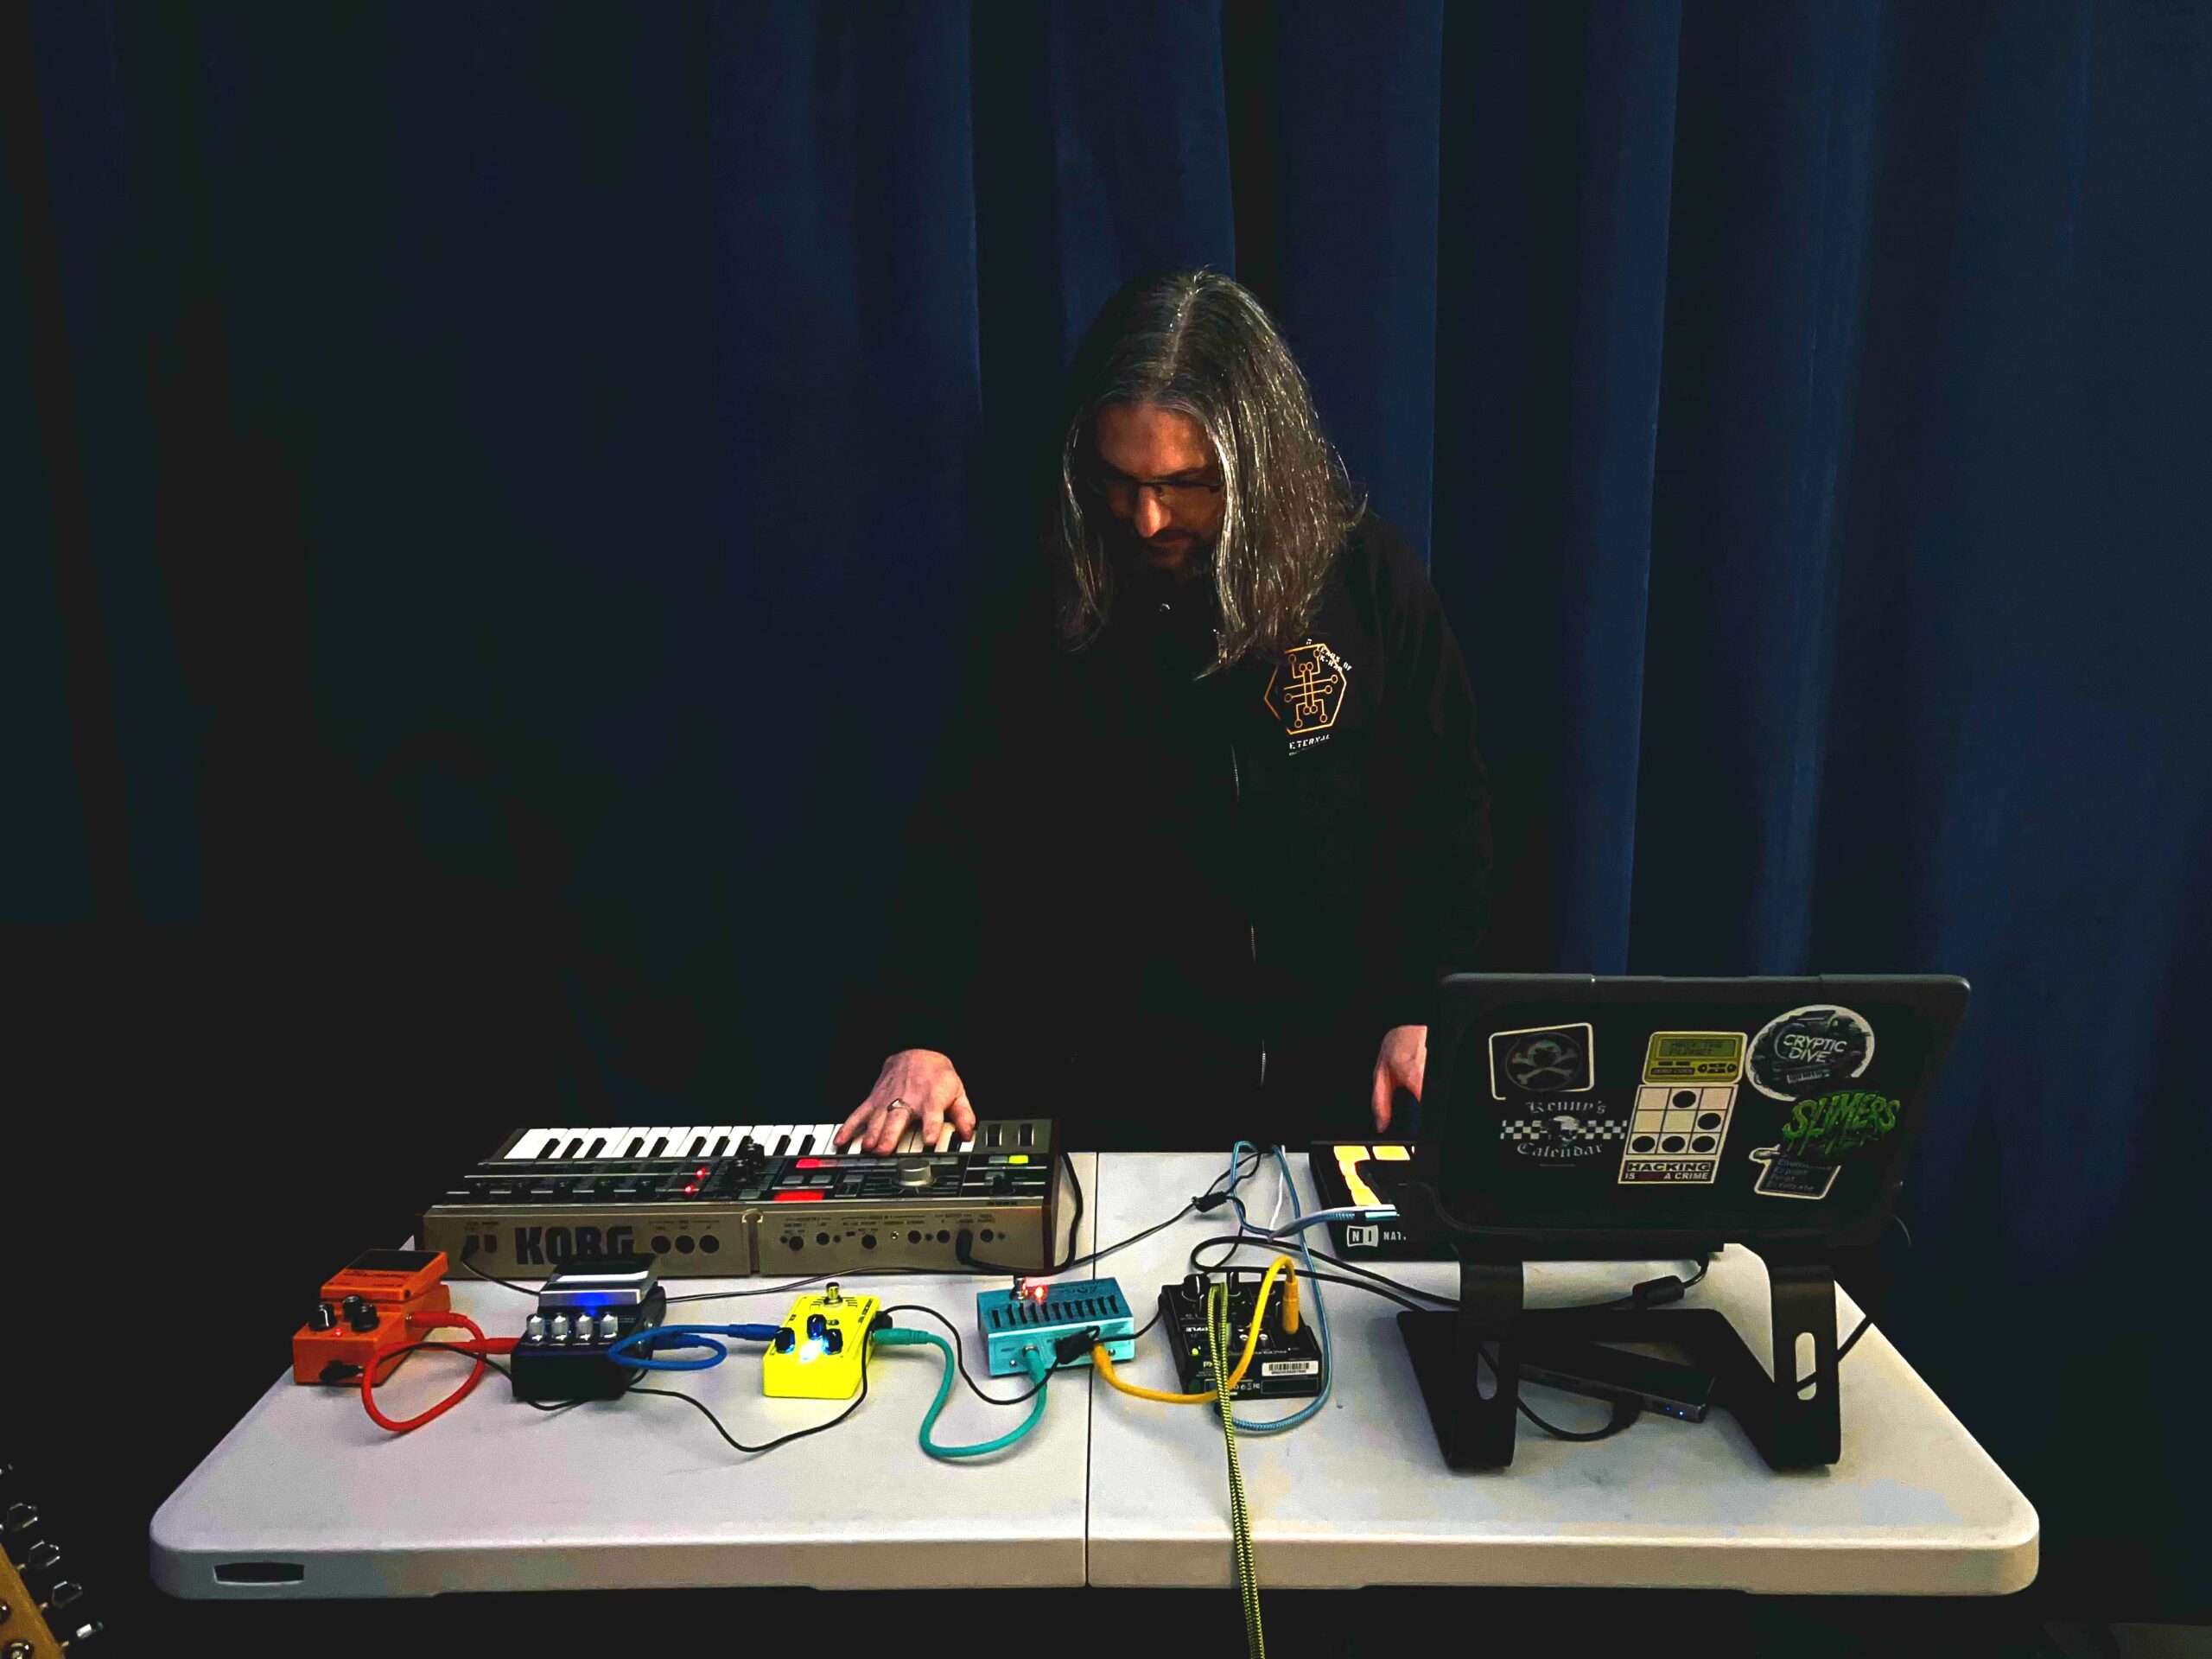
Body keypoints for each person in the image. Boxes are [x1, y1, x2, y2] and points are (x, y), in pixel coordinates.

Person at [836, 270, 1491, 1155]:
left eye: (1186, 484)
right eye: (1118, 479)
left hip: (1333, 1098)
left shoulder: (1364, 578)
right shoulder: (1050, 595)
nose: (1144, 519)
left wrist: (1424, 1002)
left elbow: (1443, 809)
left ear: (1259, 466)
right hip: (1108, 1107)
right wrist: (920, 1033)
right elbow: (962, 831)